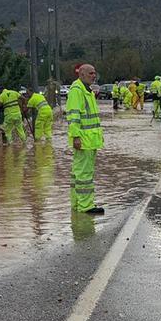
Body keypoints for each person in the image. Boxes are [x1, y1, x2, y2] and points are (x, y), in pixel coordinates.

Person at [66, 63, 105, 215]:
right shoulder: (77, 91)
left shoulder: (86, 91)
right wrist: (76, 137)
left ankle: (77, 205)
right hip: (84, 141)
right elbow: (73, 116)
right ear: (81, 74)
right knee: (84, 175)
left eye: (95, 73)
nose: (94, 75)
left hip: (89, 140)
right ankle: (86, 206)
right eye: (90, 73)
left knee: (78, 174)